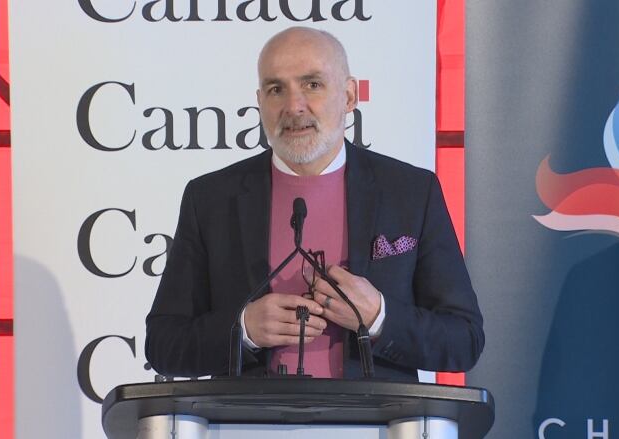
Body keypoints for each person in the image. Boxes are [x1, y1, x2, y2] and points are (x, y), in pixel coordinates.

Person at [145, 27, 484, 380]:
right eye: (277, 89)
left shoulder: (412, 192)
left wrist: (379, 316)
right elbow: (163, 345)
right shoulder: (211, 198)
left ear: (350, 96)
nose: (294, 106)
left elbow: (465, 340)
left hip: (375, 428)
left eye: (312, 85)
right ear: (260, 102)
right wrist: (242, 329)